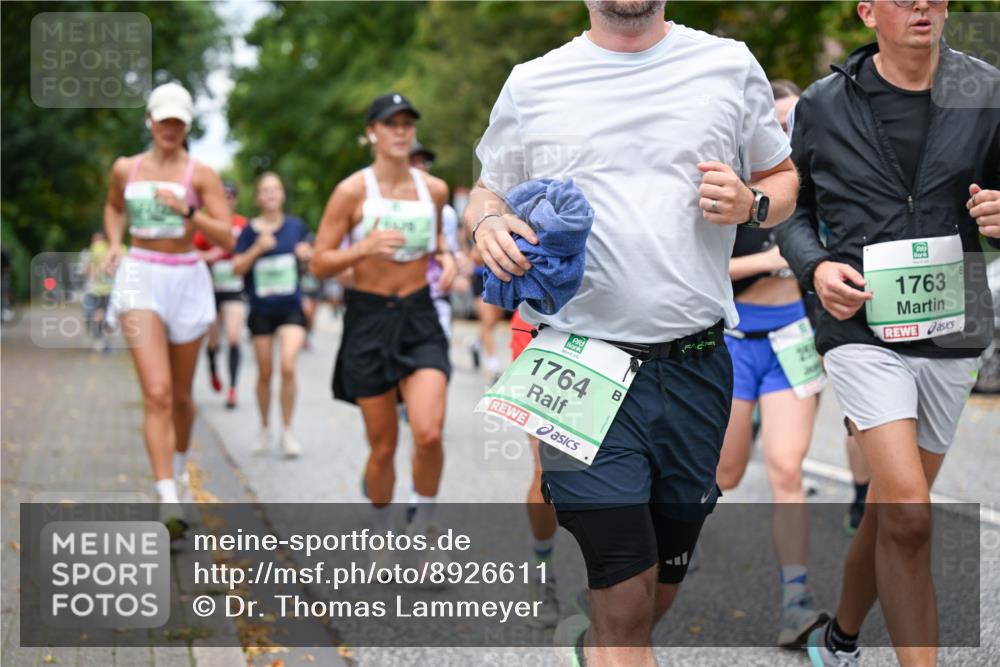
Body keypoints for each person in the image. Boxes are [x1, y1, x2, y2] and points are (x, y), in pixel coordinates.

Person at [468, 2, 799, 663]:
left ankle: (592, 647)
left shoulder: (728, 66)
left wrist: (753, 204)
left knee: (657, 592)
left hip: (698, 366)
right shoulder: (535, 81)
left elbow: (782, 178)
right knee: (623, 597)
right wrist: (485, 227)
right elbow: (488, 191)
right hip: (579, 362)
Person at [775, 2, 1000, 665]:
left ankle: (839, 635)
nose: (922, 6)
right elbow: (792, 211)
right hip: (861, 326)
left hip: (952, 324)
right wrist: (816, 268)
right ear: (868, 10)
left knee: (890, 511)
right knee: (908, 512)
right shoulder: (823, 103)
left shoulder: (984, 91)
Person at [310, 93, 455, 553]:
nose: (400, 131)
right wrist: (361, 249)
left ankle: (425, 527)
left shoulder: (433, 190)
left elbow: (435, 244)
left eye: (407, 123)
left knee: (429, 432)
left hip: (419, 315)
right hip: (369, 318)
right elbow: (319, 263)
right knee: (384, 446)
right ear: (371, 131)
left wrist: (449, 260)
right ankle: (382, 532)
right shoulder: (352, 191)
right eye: (390, 123)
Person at [715, 77, 829, 649]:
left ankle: (795, 600)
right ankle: (645, 568)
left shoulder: (815, 180)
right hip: (736, 338)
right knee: (724, 475)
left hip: (793, 336)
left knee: (787, 470)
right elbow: (703, 270)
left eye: (792, 120)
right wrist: (773, 259)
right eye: (777, 120)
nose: (785, 129)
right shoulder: (728, 182)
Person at [102, 82, 232, 525]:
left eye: (179, 121)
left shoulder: (200, 175)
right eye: (164, 119)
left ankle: (177, 470)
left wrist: (187, 212)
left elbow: (228, 236)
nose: (170, 128)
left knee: (179, 396)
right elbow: (114, 207)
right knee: (156, 393)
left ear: (187, 125)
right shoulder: (127, 168)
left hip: (186, 278)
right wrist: (116, 243)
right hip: (140, 274)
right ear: (150, 121)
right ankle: (167, 498)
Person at [232, 172, 310, 458]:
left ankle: (287, 431)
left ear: (283, 195)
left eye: (276, 189)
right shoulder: (249, 232)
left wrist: (307, 254)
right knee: (265, 372)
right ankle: (265, 428)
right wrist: (256, 249)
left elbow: (313, 257)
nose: (271, 195)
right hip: (262, 309)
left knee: (287, 366)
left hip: (290, 306)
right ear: (257, 198)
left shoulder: (296, 227)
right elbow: (237, 268)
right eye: (265, 191)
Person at [194, 181, 248, 408]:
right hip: (210, 289)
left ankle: (233, 390)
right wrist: (212, 255)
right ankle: (214, 368)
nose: (227, 199)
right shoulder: (205, 224)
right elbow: (189, 252)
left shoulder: (243, 224)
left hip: (235, 289)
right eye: (222, 195)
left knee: (234, 336)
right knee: (214, 339)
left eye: (231, 195)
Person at [410, 140, 465, 339]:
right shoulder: (388, 206)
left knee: (436, 361)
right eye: (413, 162)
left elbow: (451, 249)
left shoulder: (446, 211)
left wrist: (457, 270)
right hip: (396, 298)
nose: (420, 167)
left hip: (435, 295)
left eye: (424, 163)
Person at [82, 232, 115, 352]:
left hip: (107, 290)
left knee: (102, 316)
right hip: (93, 289)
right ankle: (98, 338)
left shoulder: (115, 249)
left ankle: (101, 340)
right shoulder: (92, 251)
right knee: (91, 315)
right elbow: (87, 268)